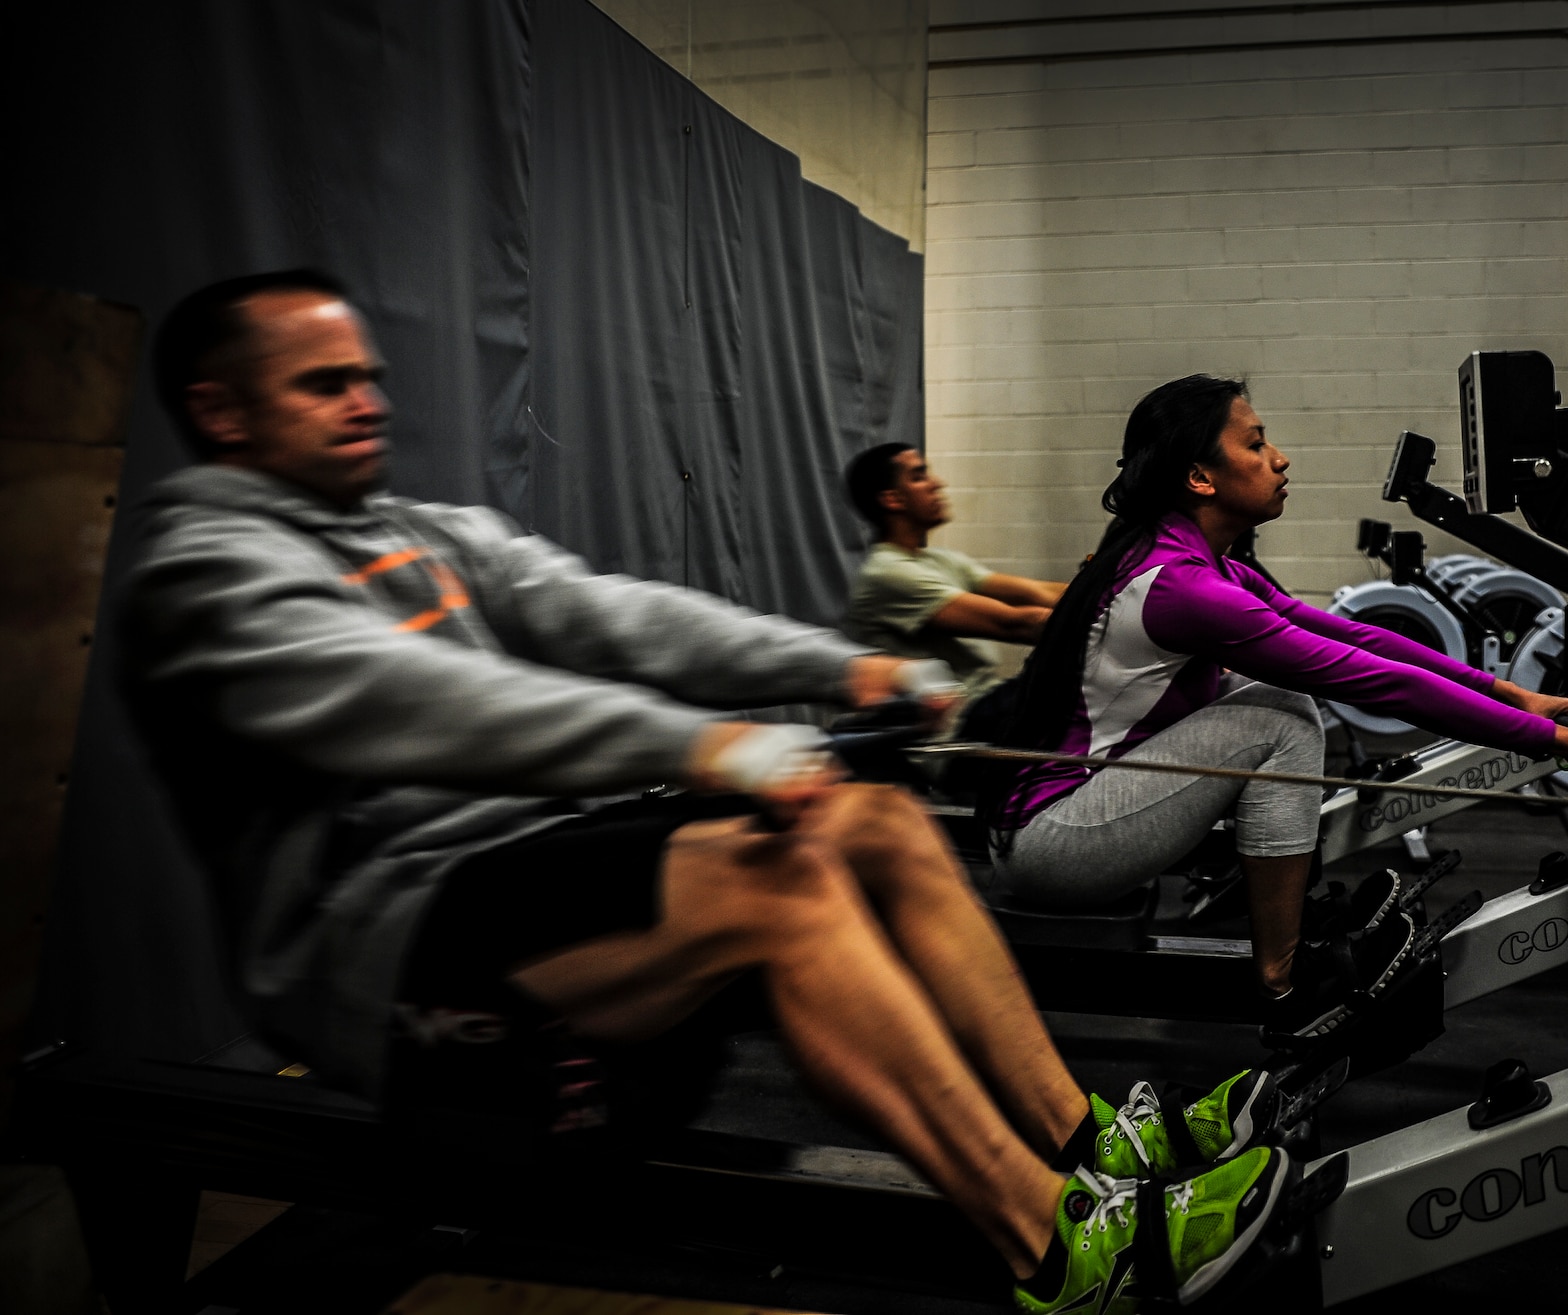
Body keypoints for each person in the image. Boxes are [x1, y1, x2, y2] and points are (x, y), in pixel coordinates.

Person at [120, 272, 1295, 1313]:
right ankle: (1060, 1251)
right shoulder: (207, 577)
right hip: (378, 936)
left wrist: (835, 667)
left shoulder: (412, 531)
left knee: (868, 815)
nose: (366, 402)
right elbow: (418, 700)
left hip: (516, 864)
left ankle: (1080, 1137)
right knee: (776, 884)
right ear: (222, 411)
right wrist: (713, 752)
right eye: (325, 384)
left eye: (368, 377)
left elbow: (611, 612)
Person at [986, 375, 1568, 1038]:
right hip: (1055, 844)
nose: (1280, 458)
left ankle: (1278, 909)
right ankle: (1283, 979)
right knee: (1280, 719)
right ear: (1199, 477)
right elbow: (1377, 683)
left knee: (1269, 700)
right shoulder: (1185, 588)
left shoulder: (1193, 559)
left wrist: (1508, 691)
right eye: (1256, 443)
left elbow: (1357, 637)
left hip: (1069, 818)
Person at [843, 442, 1065, 733]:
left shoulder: (941, 560)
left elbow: (1037, 592)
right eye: (919, 476)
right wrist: (1107, 615)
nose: (937, 484)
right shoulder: (887, 573)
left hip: (986, 707)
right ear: (892, 499)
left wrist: (1111, 589)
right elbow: (1014, 624)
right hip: (957, 729)